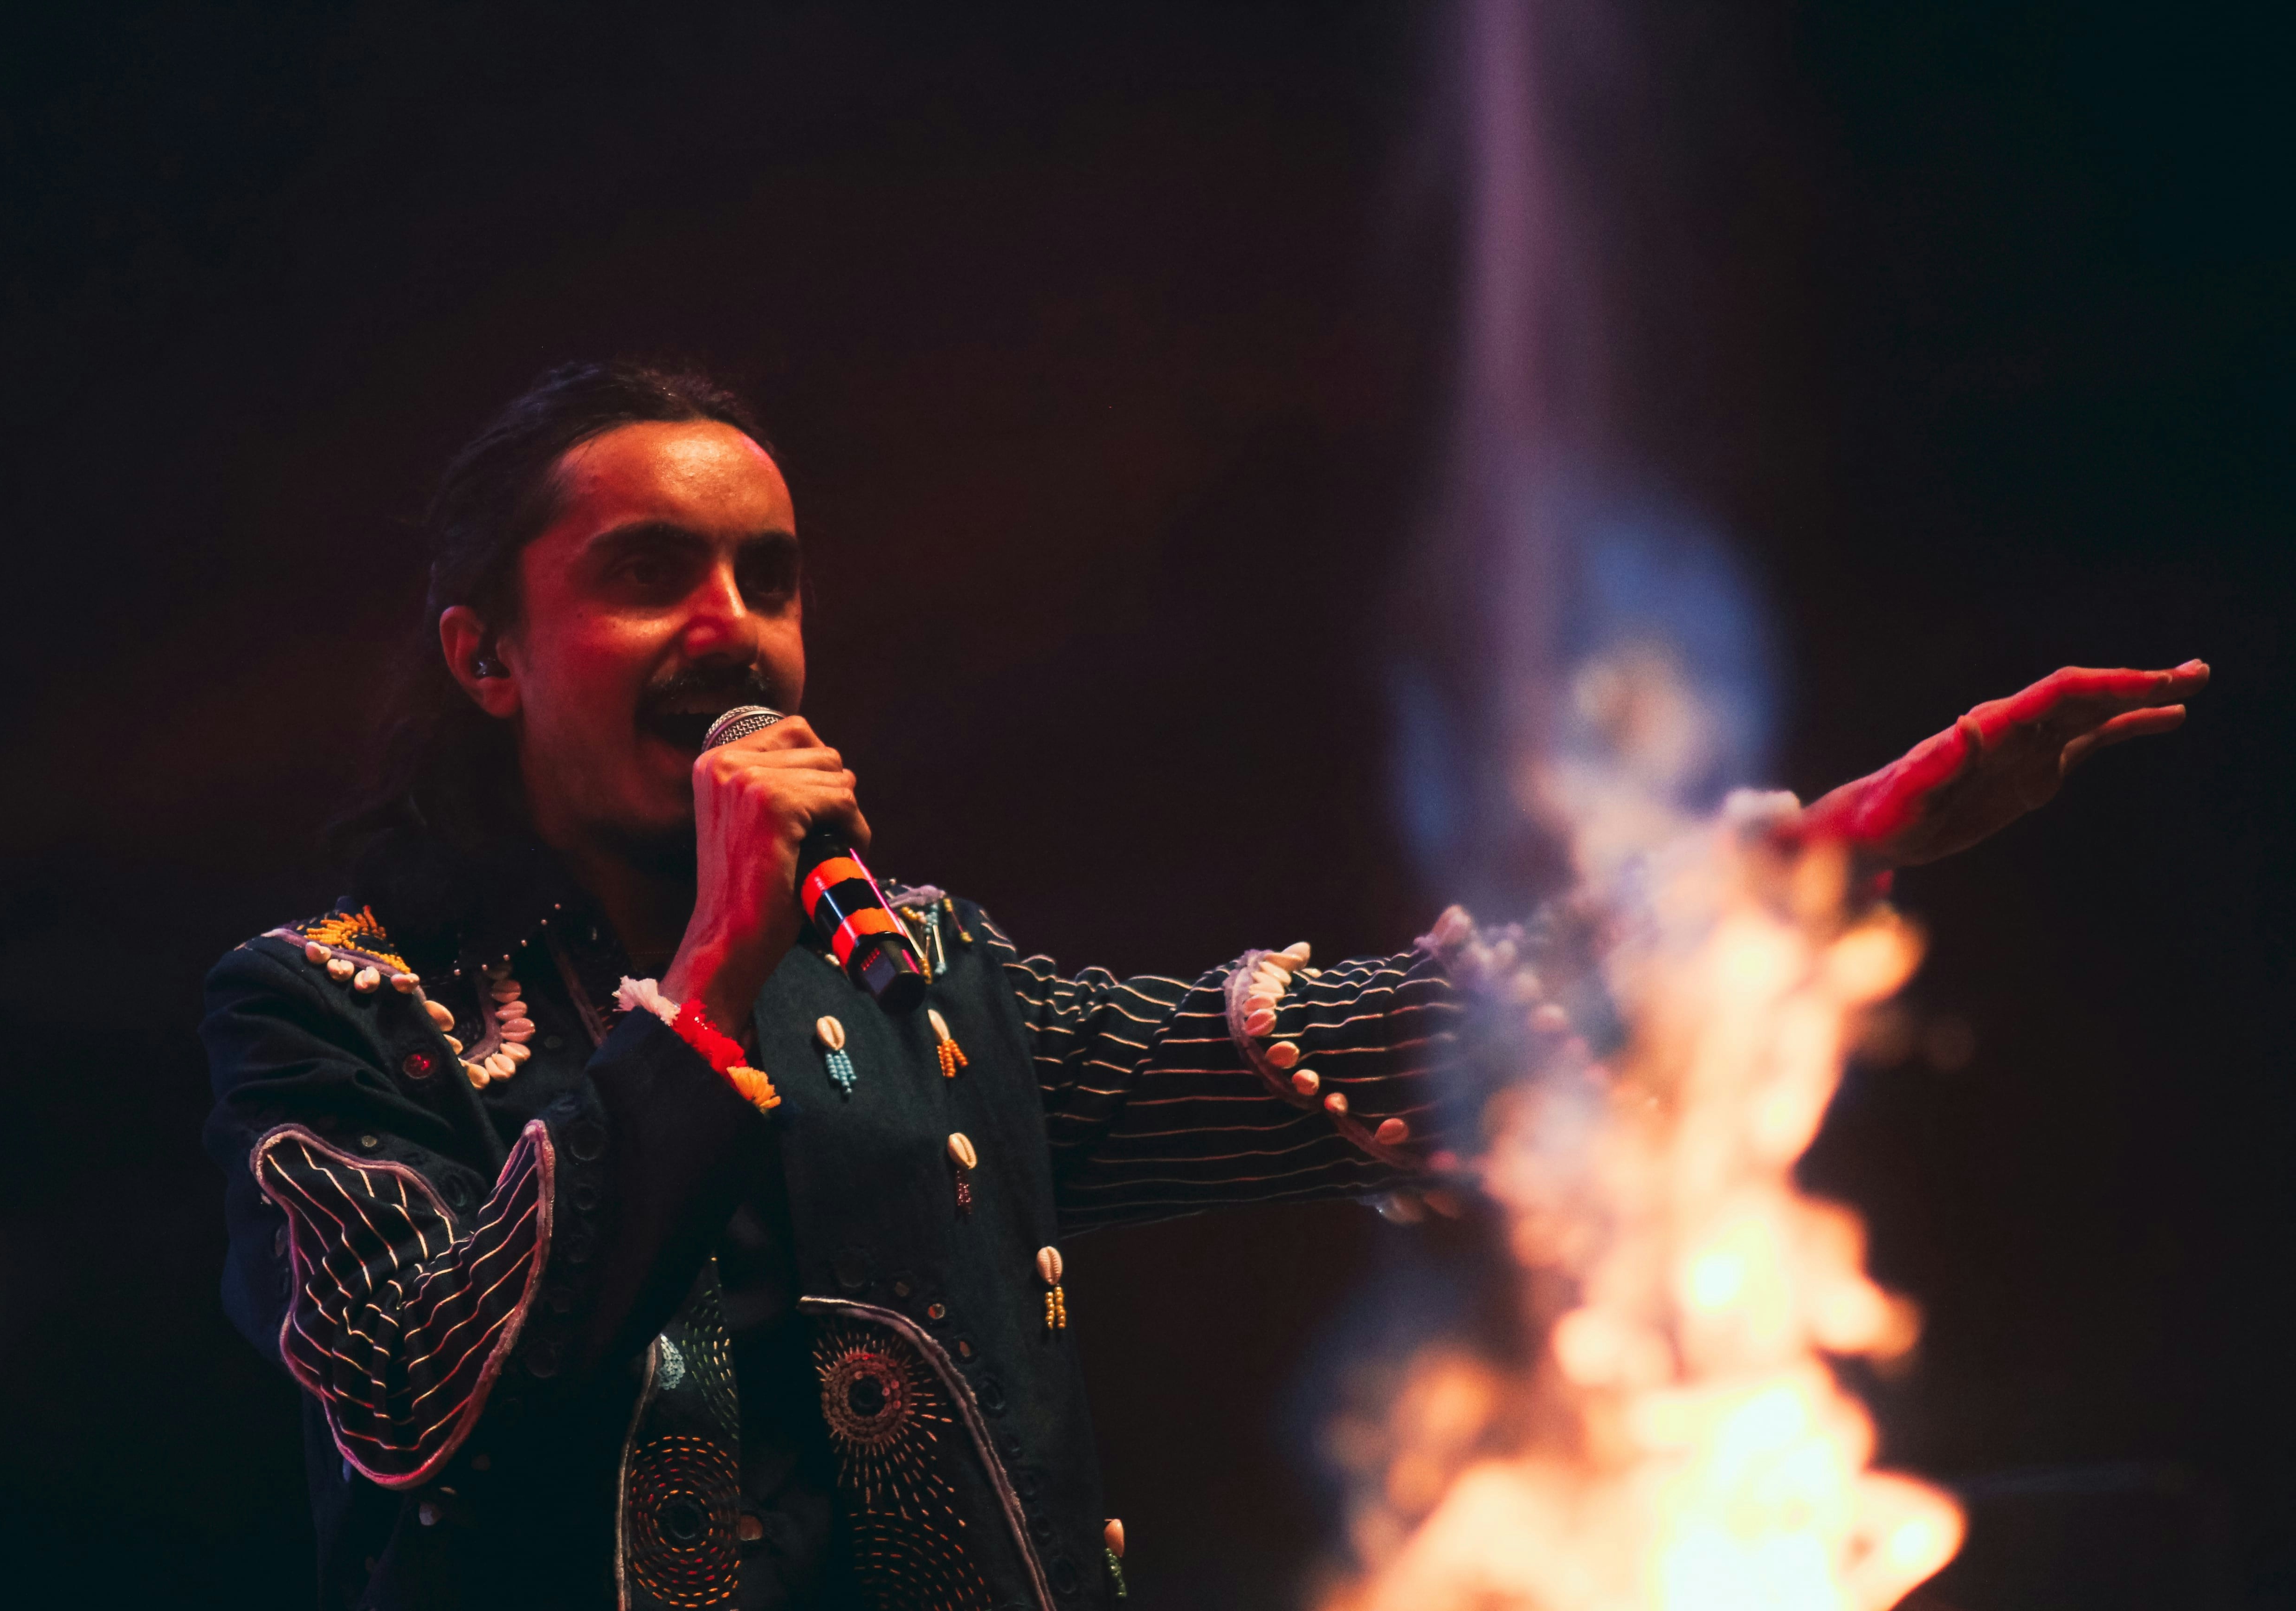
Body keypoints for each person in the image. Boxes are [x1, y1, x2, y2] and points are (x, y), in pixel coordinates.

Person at [202, 359, 2205, 1611]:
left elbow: (1385, 1041)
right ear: (486, 659)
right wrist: (712, 971)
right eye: (653, 571)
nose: (733, 628)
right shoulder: (337, 1012)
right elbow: (403, 1396)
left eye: (773, 576)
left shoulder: (918, 990)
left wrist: (1839, 840)